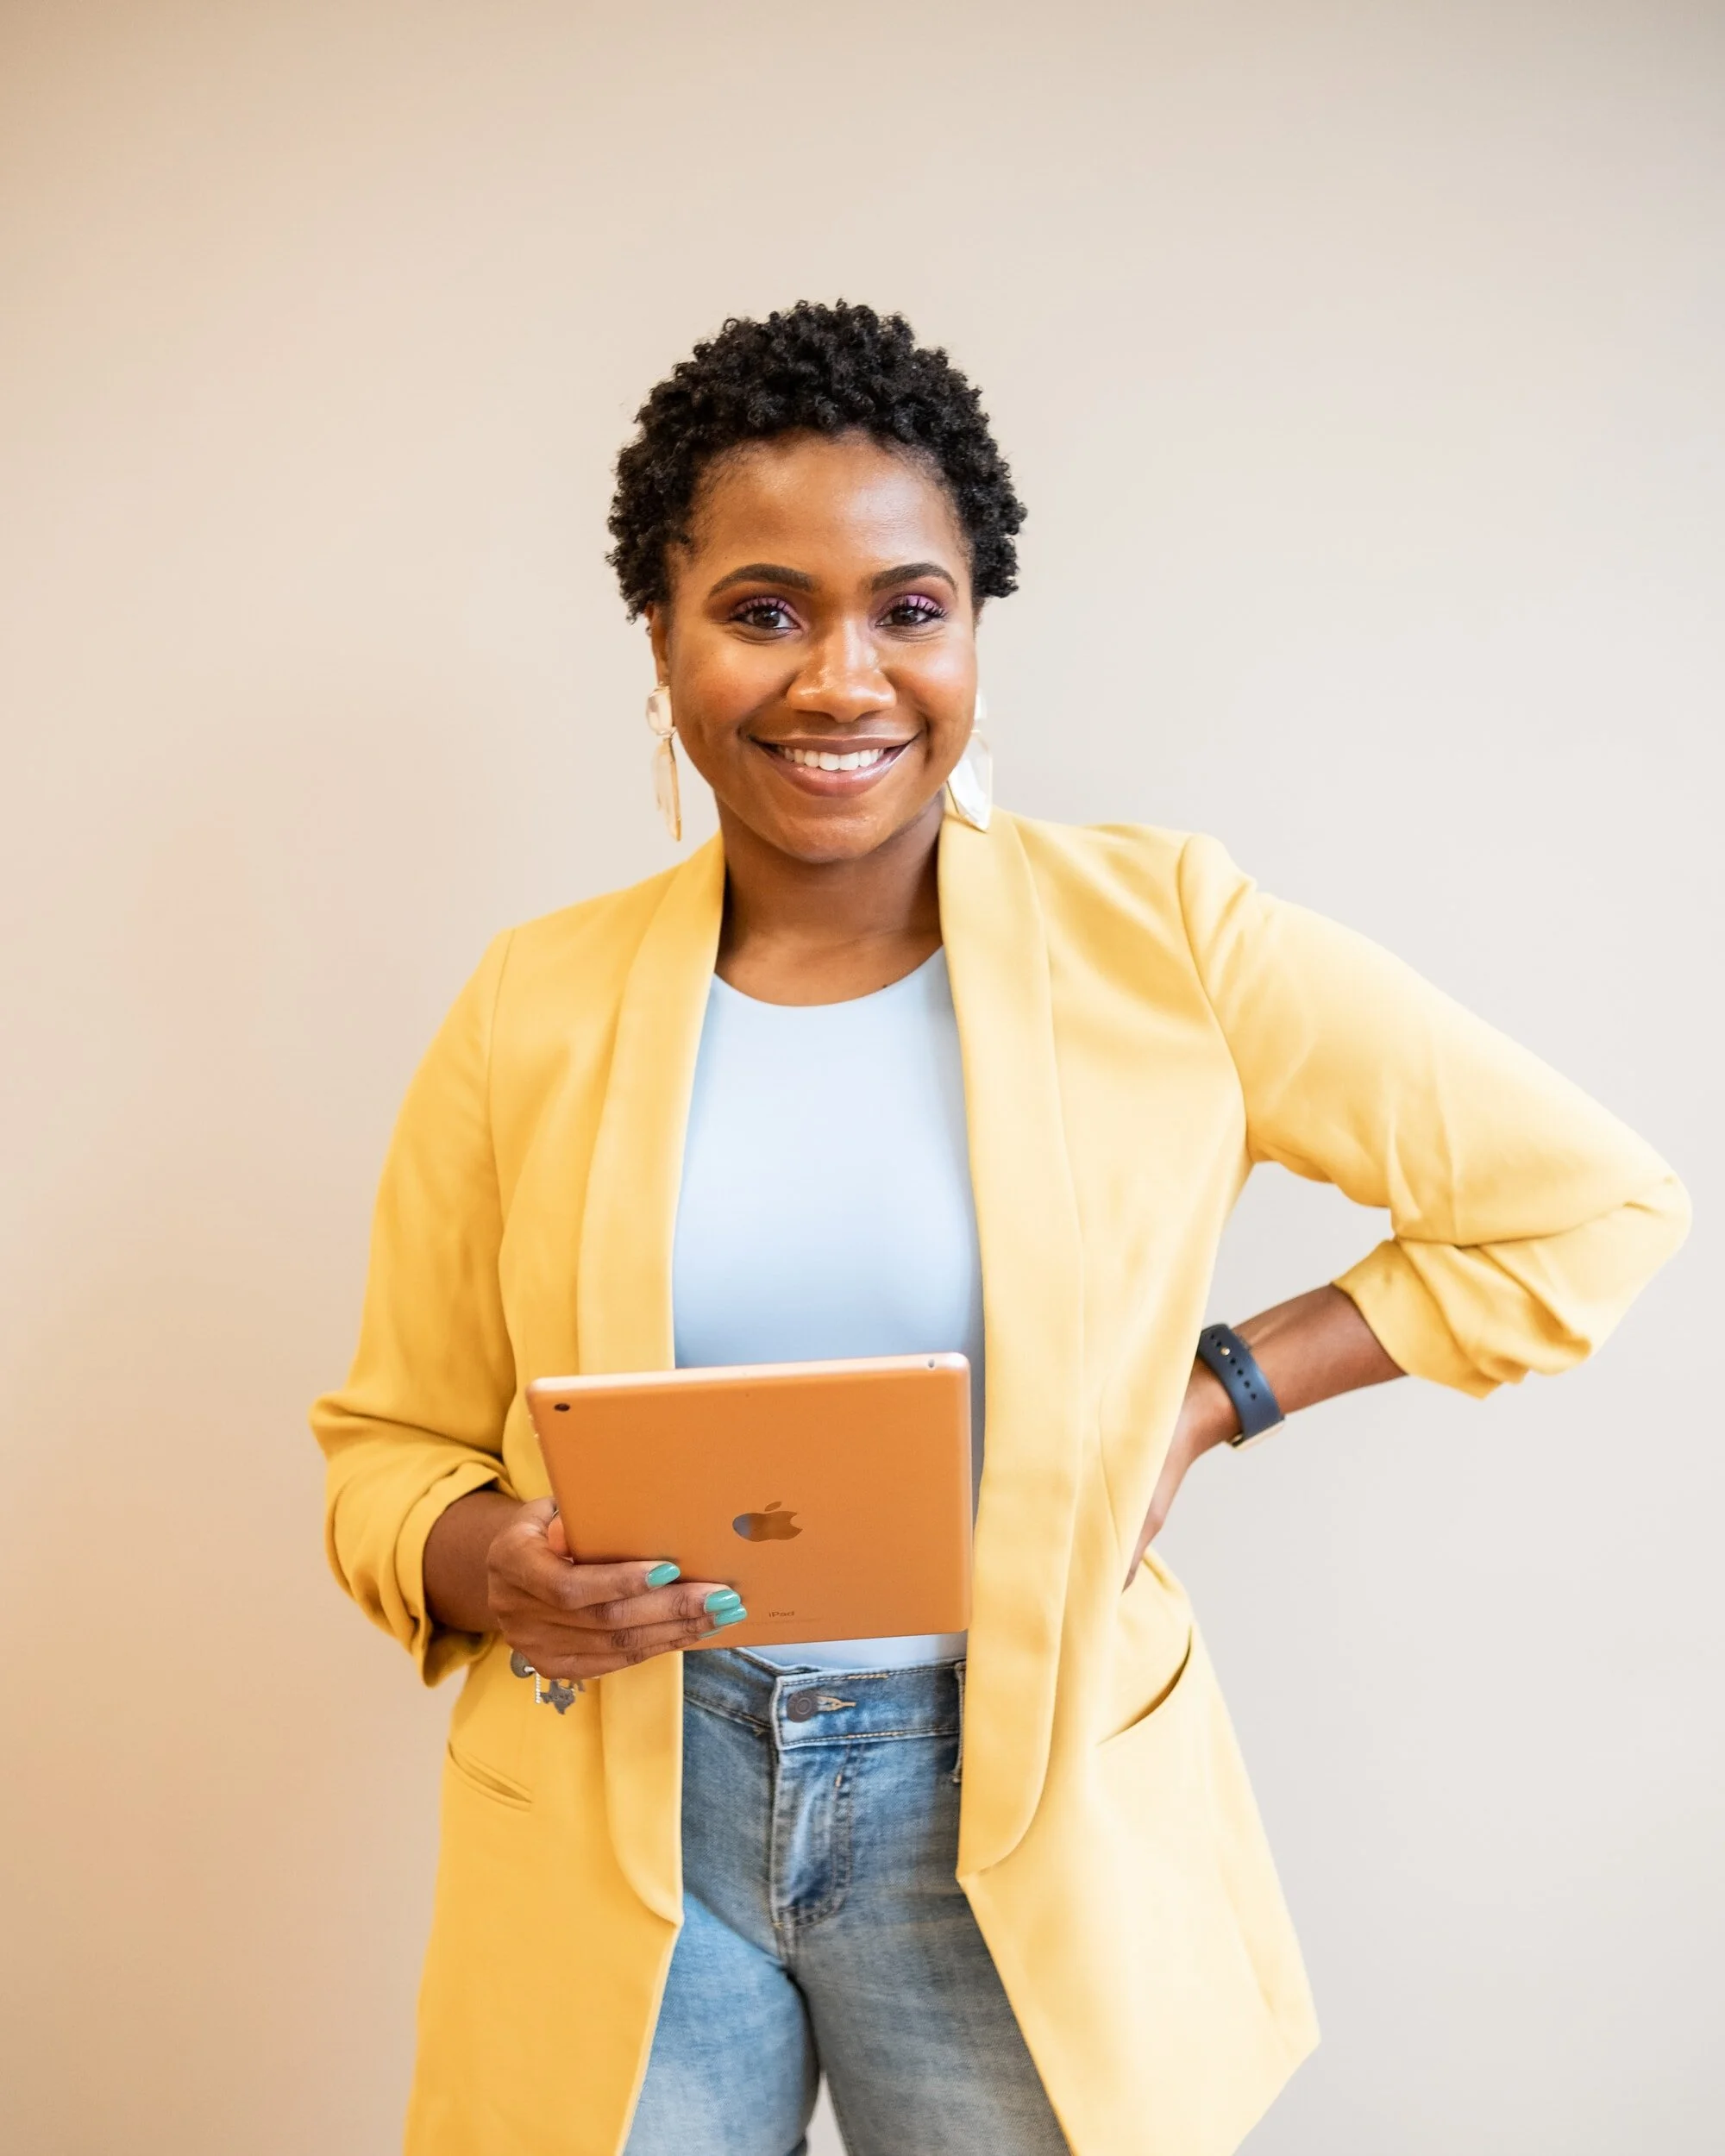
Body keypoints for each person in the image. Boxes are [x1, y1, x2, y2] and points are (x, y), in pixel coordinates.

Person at [311, 302, 1687, 2156]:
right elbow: (386, 1448)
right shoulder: (530, 1005)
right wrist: (490, 1561)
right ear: (662, 631)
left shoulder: (1164, 938)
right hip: (631, 1805)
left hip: (1015, 1811)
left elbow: (1584, 1201)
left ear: (972, 628)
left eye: (908, 605)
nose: (842, 680)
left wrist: (1211, 1395)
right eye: (765, 608)